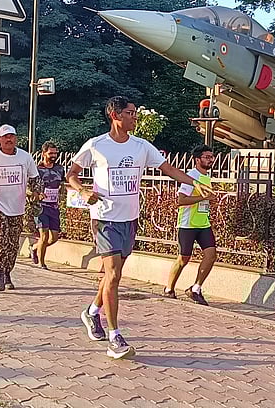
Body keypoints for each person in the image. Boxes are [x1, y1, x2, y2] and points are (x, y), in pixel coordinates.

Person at [67, 96, 215, 359]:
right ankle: (115, 338)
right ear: (116, 115)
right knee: (113, 276)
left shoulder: (141, 146)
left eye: (135, 113)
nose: (135, 117)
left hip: (130, 219)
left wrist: (195, 184)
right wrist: (83, 190)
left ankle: (91, 312)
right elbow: (72, 174)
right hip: (104, 218)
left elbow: (169, 169)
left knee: (113, 275)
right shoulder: (96, 145)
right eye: (131, 113)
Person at [0, 125, 41, 292]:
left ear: (16, 139)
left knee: (12, 244)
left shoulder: (25, 157)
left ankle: (7, 273)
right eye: (5, 137)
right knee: (0, 239)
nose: (8, 139)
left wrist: (36, 193)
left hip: (17, 207)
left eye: (11, 136)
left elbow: (35, 178)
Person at [162, 144, 218, 305]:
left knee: (211, 255)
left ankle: (195, 289)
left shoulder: (207, 176)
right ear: (197, 160)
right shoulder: (191, 177)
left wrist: (209, 199)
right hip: (187, 224)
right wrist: (203, 198)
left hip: (203, 224)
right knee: (183, 259)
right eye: (207, 157)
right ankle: (169, 288)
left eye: (211, 157)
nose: (211, 160)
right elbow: (181, 200)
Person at [30, 141, 65, 270]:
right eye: (51, 153)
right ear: (43, 153)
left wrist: (61, 194)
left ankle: (34, 248)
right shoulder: (36, 169)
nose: (54, 156)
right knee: (44, 235)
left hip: (54, 207)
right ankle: (42, 263)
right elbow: (29, 187)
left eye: (55, 153)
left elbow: (62, 184)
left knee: (54, 237)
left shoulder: (60, 168)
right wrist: (37, 195)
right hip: (41, 207)